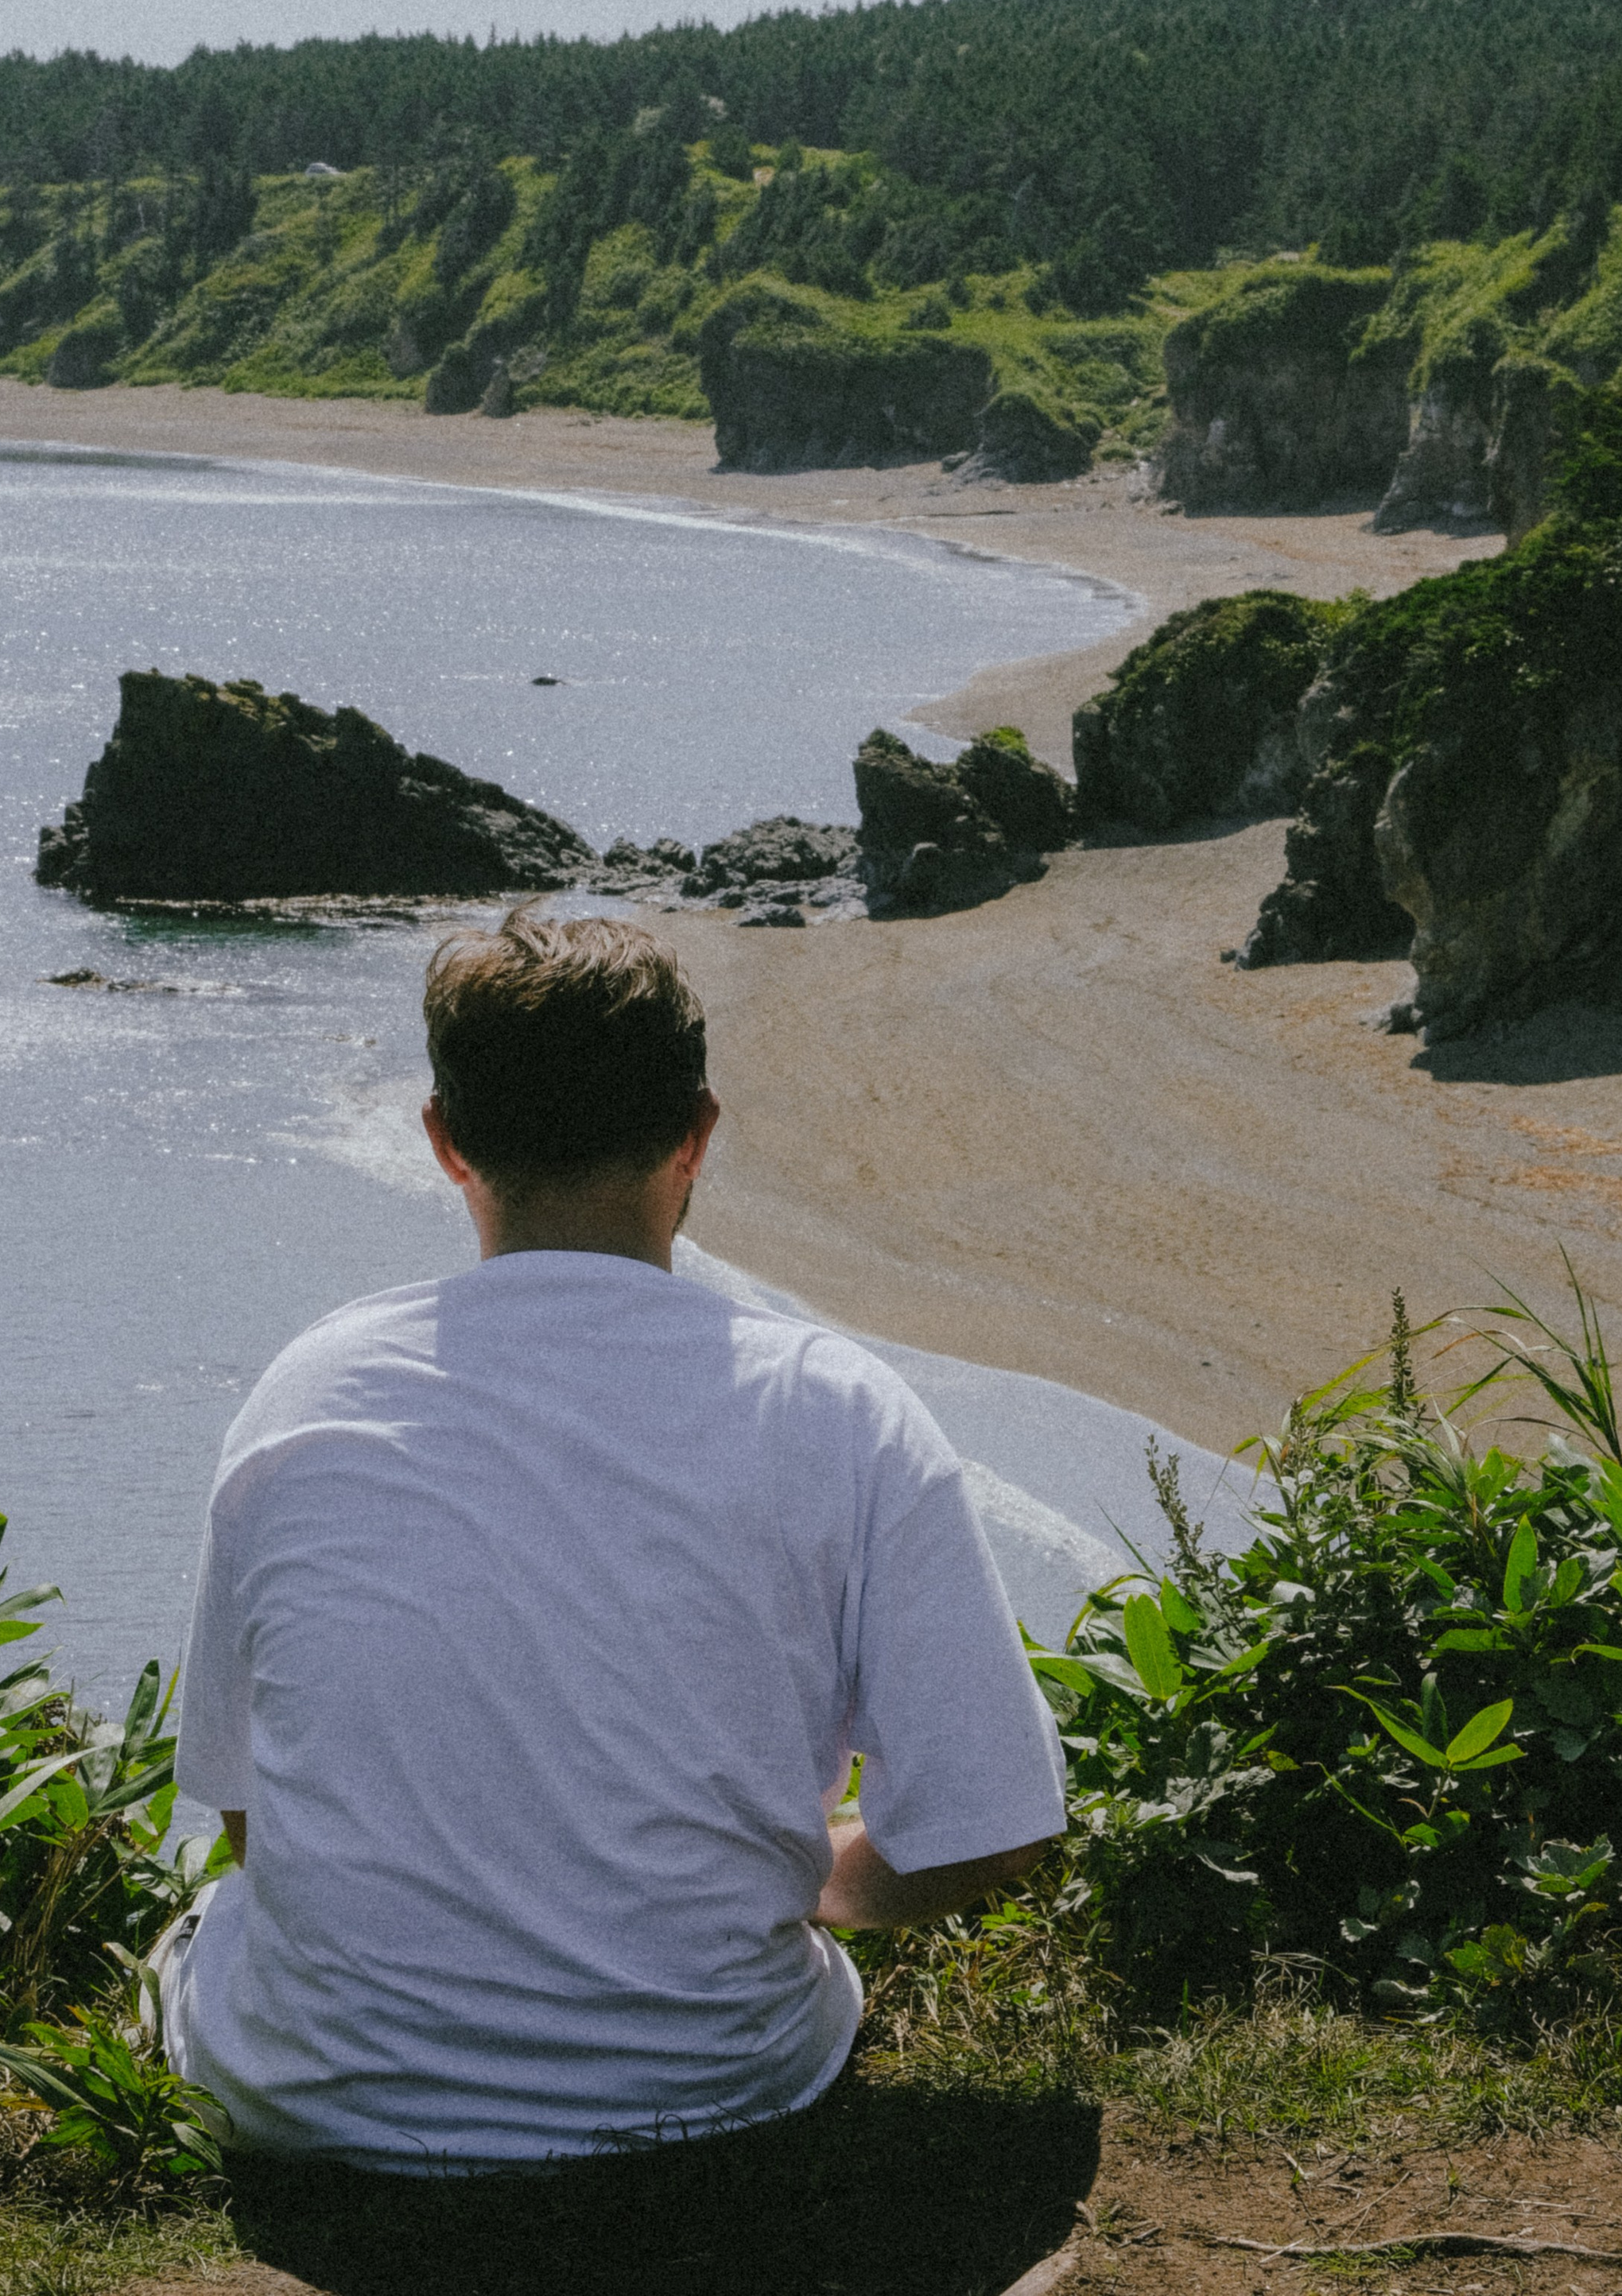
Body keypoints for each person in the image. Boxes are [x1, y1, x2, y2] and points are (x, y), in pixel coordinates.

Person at [162, 908, 1065, 2172]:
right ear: (697, 1133)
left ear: (444, 1142)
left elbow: (250, 1820)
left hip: (328, 2100)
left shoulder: (308, 1393)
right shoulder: (837, 1410)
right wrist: (805, 1881)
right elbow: (992, 1832)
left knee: (201, 1934)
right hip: (718, 2083)